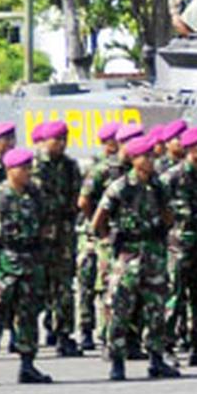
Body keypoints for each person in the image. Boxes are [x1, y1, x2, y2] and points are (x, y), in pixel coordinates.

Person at [93, 136, 181, 381]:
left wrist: (162, 228)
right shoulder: (121, 187)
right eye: (146, 156)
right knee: (120, 308)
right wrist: (110, 240)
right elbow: (98, 219)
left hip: (153, 252)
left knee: (156, 309)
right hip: (128, 253)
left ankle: (156, 359)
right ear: (134, 159)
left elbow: (168, 215)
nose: (151, 161)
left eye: (153, 156)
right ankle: (117, 360)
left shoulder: (159, 185)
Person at [0, 148, 53, 386]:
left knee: (28, 316)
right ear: (10, 170)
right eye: (24, 168)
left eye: (29, 167)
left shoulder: (36, 196)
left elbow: (46, 222)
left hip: (30, 262)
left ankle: (27, 365)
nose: (28, 172)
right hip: (2, 265)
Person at [160, 127, 197, 367]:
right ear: (192, 149)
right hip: (178, 245)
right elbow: (158, 208)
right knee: (174, 296)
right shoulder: (171, 178)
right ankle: (165, 346)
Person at [32, 120, 83, 357]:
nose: (61, 144)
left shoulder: (70, 166)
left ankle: (64, 333)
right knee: (35, 288)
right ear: (46, 141)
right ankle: (27, 334)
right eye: (57, 140)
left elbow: (77, 196)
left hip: (63, 234)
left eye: (64, 139)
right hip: (39, 236)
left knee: (63, 286)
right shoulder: (33, 166)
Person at [73, 122, 118, 352]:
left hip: (110, 234)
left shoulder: (124, 167)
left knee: (106, 283)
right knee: (87, 282)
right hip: (91, 234)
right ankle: (86, 329)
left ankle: (104, 330)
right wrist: (96, 225)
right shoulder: (96, 166)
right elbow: (84, 201)